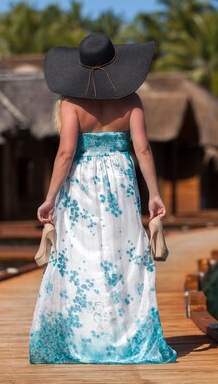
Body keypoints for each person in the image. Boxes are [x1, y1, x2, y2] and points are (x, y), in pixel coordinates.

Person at [29, 32, 177, 364]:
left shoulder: (71, 104)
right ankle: (120, 337)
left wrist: (50, 198)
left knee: (82, 259)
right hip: (121, 184)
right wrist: (153, 194)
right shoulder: (132, 100)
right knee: (120, 259)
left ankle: (85, 339)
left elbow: (66, 153)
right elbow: (142, 149)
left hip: (80, 183)